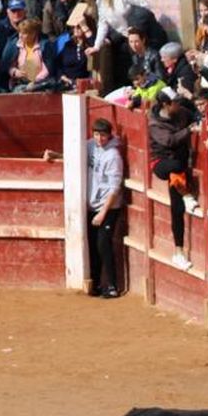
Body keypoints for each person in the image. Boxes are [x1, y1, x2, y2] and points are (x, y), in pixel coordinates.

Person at [147, 93, 198, 270]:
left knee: (177, 209)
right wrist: (189, 131)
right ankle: (186, 194)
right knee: (175, 165)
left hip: (179, 171)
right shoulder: (154, 123)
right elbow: (169, 141)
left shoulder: (182, 112)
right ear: (166, 105)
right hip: (161, 164)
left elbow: (196, 115)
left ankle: (178, 252)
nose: (179, 105)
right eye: (175, 102)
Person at [86, 116, 123, 298]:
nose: (99, 139)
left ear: (109, 136)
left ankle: (112, 286)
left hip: (108, 207)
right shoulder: (90, 146)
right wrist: (56, 156)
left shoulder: (113, 156)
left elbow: (115, 187)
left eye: (103, 135)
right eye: (97, 134)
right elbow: (74, 158)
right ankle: (97, 283)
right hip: (92, 204)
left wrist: (102, 212)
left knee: (103, 245)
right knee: (93, 245)